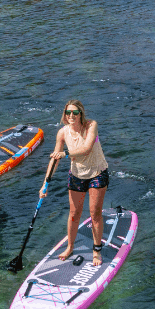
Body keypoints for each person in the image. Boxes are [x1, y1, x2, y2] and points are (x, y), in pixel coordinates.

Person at [41, 99, 110, 266]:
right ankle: (70, 247)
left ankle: (96, 250)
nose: (71, 115)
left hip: (97, 174)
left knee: (95, 213)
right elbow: (54, 159)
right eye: (68, 112)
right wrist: (45, 184)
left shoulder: (91, 125)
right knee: (73, 214)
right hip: (77, 175)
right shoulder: (62, 133)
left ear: (81, 114)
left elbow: (86, 148)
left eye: (75, 112)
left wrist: (65, 154)